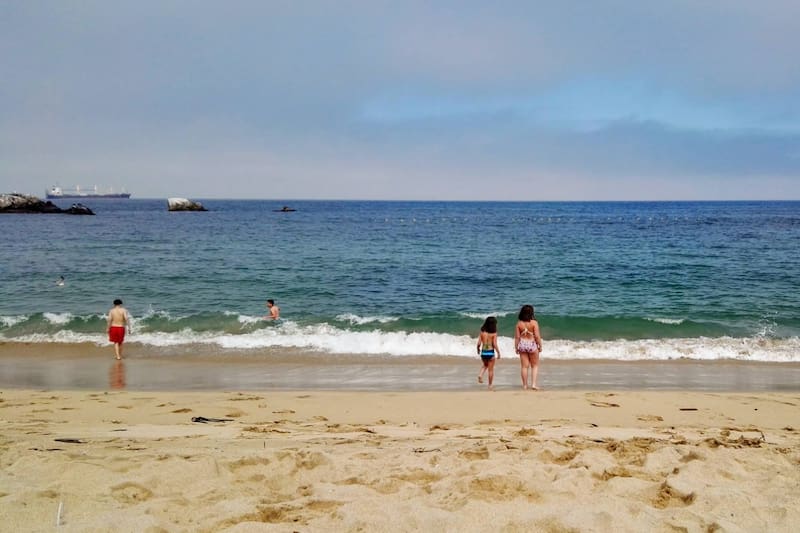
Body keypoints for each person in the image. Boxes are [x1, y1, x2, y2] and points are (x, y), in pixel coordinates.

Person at [514, 304, 542, 390]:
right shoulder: (534, 323)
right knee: (534, 366)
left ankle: (525, 385)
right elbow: (537, 336)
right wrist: (540, 345)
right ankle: (533, 384)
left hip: (522, 345)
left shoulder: (519, 324)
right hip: (532, 345)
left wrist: (516, 347)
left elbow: (517, 337)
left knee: (524, 366)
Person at [476, 316, 500, 390]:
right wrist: (498, 352)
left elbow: (479, 343)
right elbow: (495, 344)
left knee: (485, 365)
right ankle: (490, 385)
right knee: (491, 370)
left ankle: (480, 374)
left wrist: (478, 349)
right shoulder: (494, 334)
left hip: (484, 352)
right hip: (490, 352)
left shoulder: (482, 332)